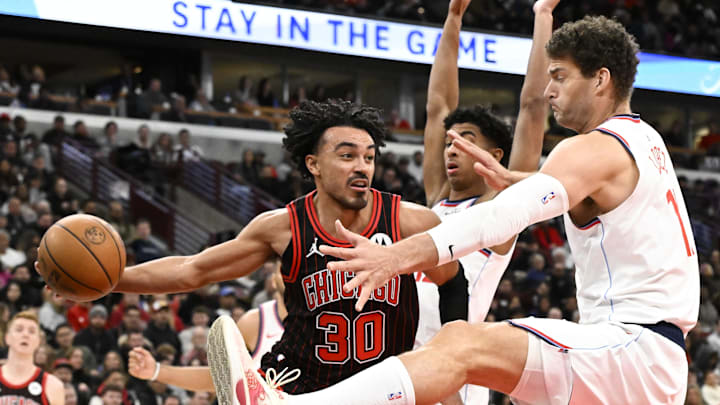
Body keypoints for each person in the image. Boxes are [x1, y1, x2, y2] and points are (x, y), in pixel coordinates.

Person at [218, 11, 699, 405]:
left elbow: (501, 216)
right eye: (548, 77)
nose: (550, 89)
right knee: (457, 346)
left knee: (460, 340)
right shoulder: (642, 140)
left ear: (601, 79)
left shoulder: (593, 147)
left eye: (560, 77)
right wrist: (526, 181)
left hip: (631, 348)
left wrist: (397, 256)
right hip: (638, 357)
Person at [97, 98, 465, 400]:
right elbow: (193, 270)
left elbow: (452, 282)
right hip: (297, 382)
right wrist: (110, 282)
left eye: (369, 157)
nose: (362, 167)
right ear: (314, 164)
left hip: (382, 388)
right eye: (348, 155)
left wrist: (449, 354)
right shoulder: (283, 228)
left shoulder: (409, 222)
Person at [416, 0, 552, 402]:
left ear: (494, 156)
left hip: (454, 369)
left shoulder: (501, 209)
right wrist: (453, 19)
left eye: (466, 141)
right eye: (449, 142)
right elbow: (437, 106)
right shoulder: (438, 199)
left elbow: (532, 109)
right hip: (403, 356)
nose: (451, 149)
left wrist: (542, 17)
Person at [126, 267, 287, 391]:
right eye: (285, 264)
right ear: (273, 279)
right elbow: (221, 378)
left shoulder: (313, 325)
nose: (293, 271)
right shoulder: (255, 322)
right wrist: (157, 370)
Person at [0, 311, 65, 405]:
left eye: (31, 331)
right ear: (7, 338)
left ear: (38, 341)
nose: (25, 335)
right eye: (19, 329)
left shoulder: (53, 385)